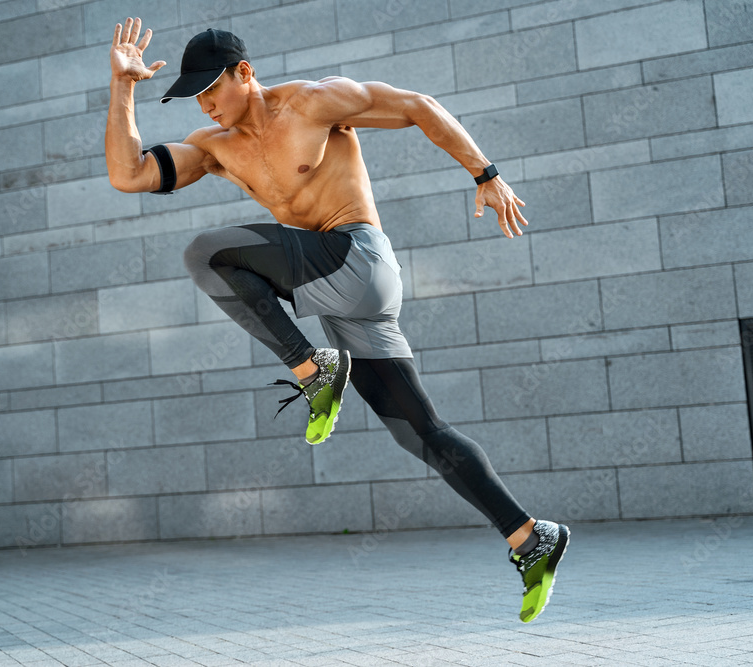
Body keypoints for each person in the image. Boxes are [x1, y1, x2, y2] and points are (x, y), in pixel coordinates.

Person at [105, 17, 569, 623]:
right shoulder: (215, 150)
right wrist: (122, 88)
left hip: (358, 255)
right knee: (419, 432)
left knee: (206, 254)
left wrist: (486, 175)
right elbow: (128, 174)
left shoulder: (313, 103)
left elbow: (418, 106)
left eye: (211, 88)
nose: (207, 105)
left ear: (245, 72)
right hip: (341, 291)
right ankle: (529, 537)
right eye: (195, 96)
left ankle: (312, 368)